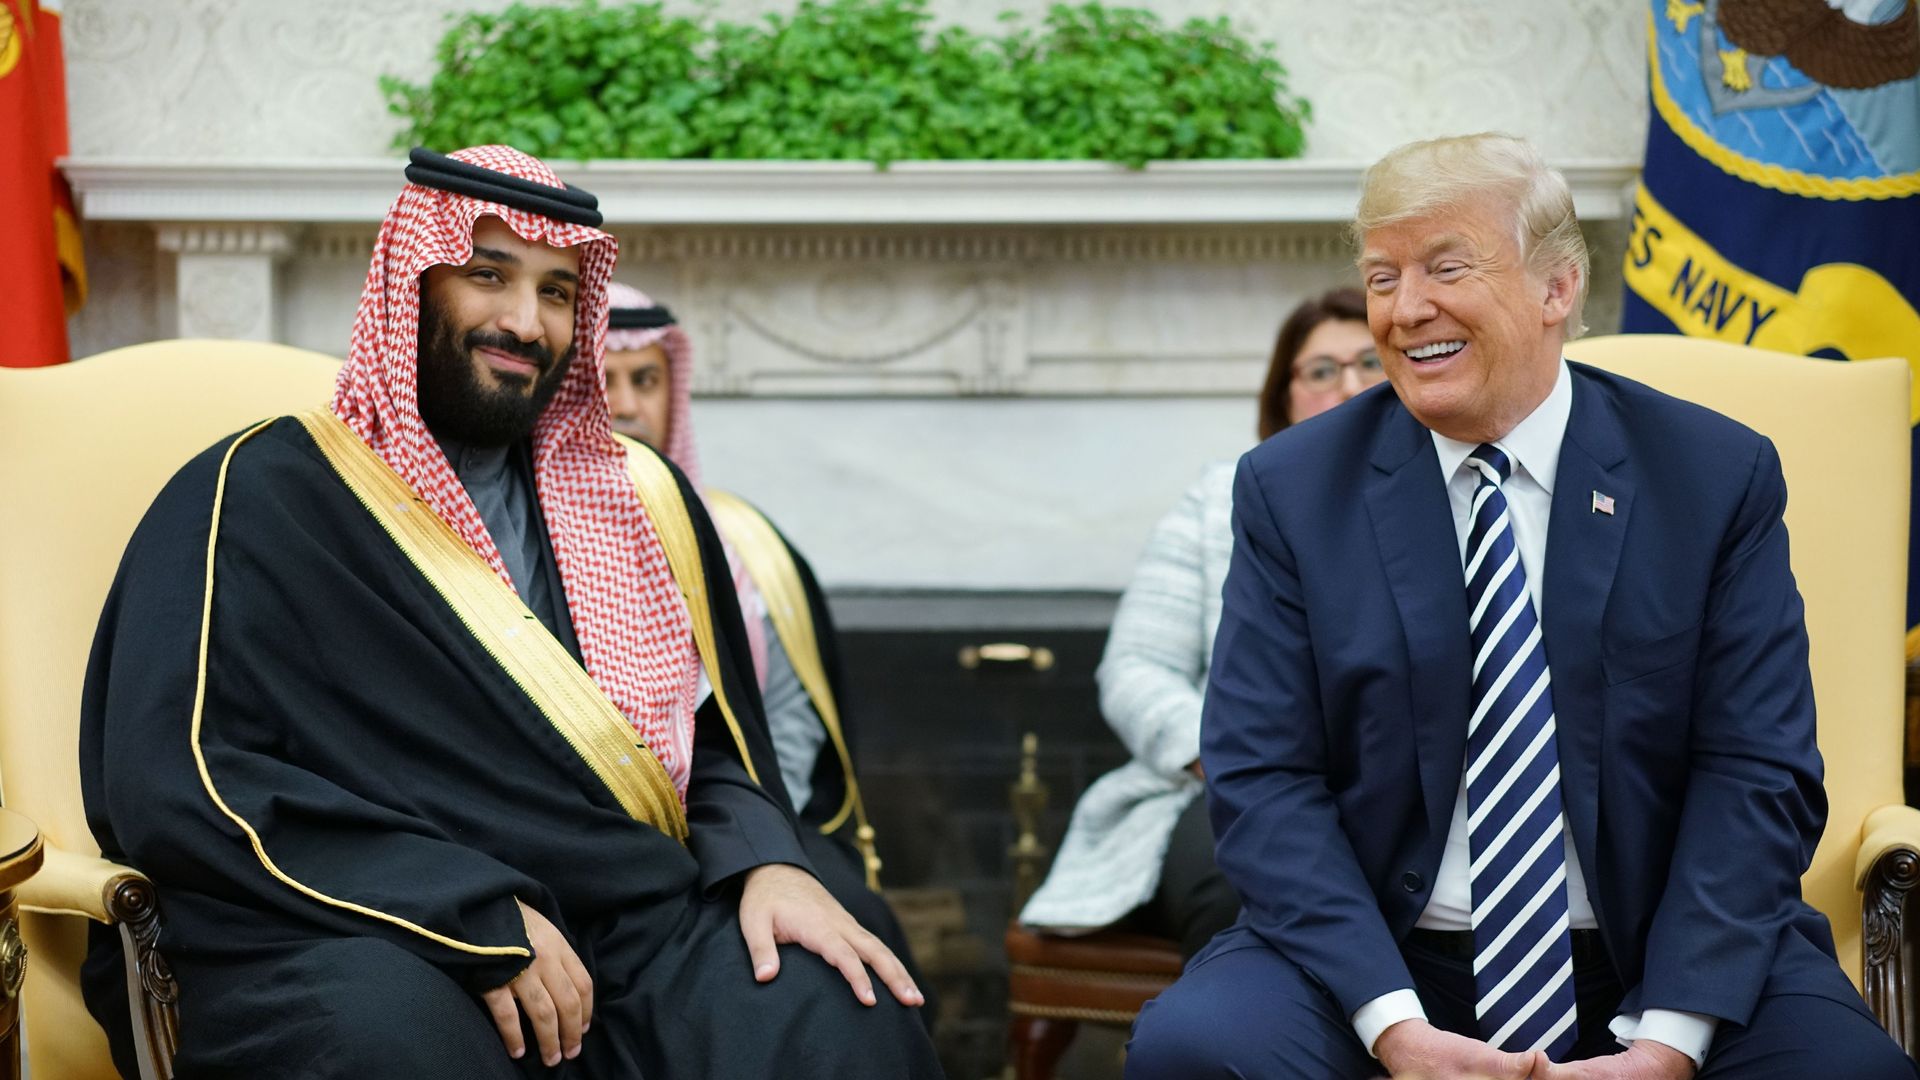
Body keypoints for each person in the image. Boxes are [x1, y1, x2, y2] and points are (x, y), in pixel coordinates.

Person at [78, 145, 940, 1080]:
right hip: (356, 921)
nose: (525, 323)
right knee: (390, 1041)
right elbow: (180, 779)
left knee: (834, 1006)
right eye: (489, 275)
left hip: (624, 922)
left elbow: (713, 746)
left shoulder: (638, 499)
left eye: (559, 292)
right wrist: (462, 909)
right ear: (414, 280)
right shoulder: (253, 495)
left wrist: (767, 862)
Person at [1124, 133, 1915, 1080]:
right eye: (1382, 277)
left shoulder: (1711, 478)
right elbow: (1263, 780)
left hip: (1662, 949)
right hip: (1383, 950)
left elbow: (1756, 773)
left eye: (1445, 268)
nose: (1407, 310)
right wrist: (1393, 1027)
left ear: (1558, 288)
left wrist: (1668, 1043)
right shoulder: (1293, 490)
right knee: (1197, 1052)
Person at [1017, 288, 1378, 960]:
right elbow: (1134, 671)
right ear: (1284, 396)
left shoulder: (1457, 500)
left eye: (1371, 362)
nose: (1349, 384)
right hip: (1224, 790)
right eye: (1321, 370)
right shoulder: (1219, 501)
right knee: (1249, 881)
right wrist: (1232, 760)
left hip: (1397, 797)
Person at [600, 282, 927, 1014]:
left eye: (645, 380)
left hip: (754, 824)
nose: (627, 404)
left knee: (852, 932)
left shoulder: (744, 543)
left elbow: (787, 718)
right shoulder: (532, 540)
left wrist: (749, 832)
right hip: (607, 844)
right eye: (604, 380)